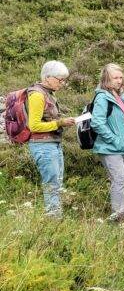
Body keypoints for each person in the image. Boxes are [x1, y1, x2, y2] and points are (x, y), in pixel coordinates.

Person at [27, 61, 76, 219]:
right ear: (47, 77)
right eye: (59, 79)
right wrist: (59, 123)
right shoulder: (37, 95)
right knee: (51, 184)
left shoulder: (48, 94)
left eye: (64, 80)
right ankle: (53, 218)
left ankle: (55, 216)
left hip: (52, 144)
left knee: (57, 182)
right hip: (42, 145)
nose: (62, 83)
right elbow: (33, 126)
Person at [90, 63, 124, 223]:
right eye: (115, 78)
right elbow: (97, 123)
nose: (119, 81)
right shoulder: (102, 97)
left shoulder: (122, 96)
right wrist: (114, 139)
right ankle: (118, 215)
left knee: (122, 180)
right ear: (106, 79)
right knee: (120, 179)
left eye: (121, 77)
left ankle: (121, 211)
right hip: (110, 147)